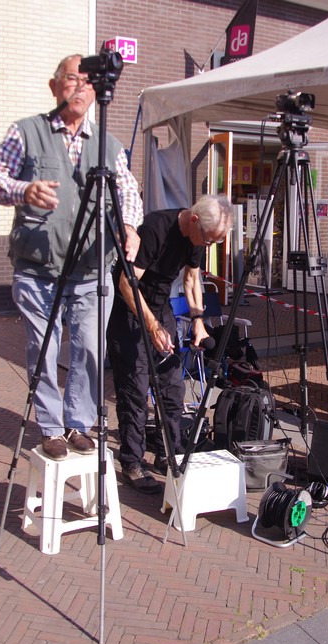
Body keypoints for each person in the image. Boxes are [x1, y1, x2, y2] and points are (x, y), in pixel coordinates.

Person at [0, 53, 143, 461]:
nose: (80, 87)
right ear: (55, 86)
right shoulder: (27, 131)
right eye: (72, 78)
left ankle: (78, 422)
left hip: (91, 269)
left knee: (89, 348)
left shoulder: (107, 143)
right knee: (44, 348)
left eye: (88, 81)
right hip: (39, 268)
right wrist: (23, 190)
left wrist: (129, 227)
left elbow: (127, 191)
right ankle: (52, 428)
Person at [108, 195, 233, 493]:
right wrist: (151, 326)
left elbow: (191, 280)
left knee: (173, 388)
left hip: (161, 310)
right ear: (194, 219)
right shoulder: (155, 228)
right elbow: (126, 283)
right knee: (135, 391)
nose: (207, 245)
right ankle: (132, 462)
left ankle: (167, 452)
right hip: (130, 311)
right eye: (208, 239)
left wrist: (198, 320)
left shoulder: (197, 237)